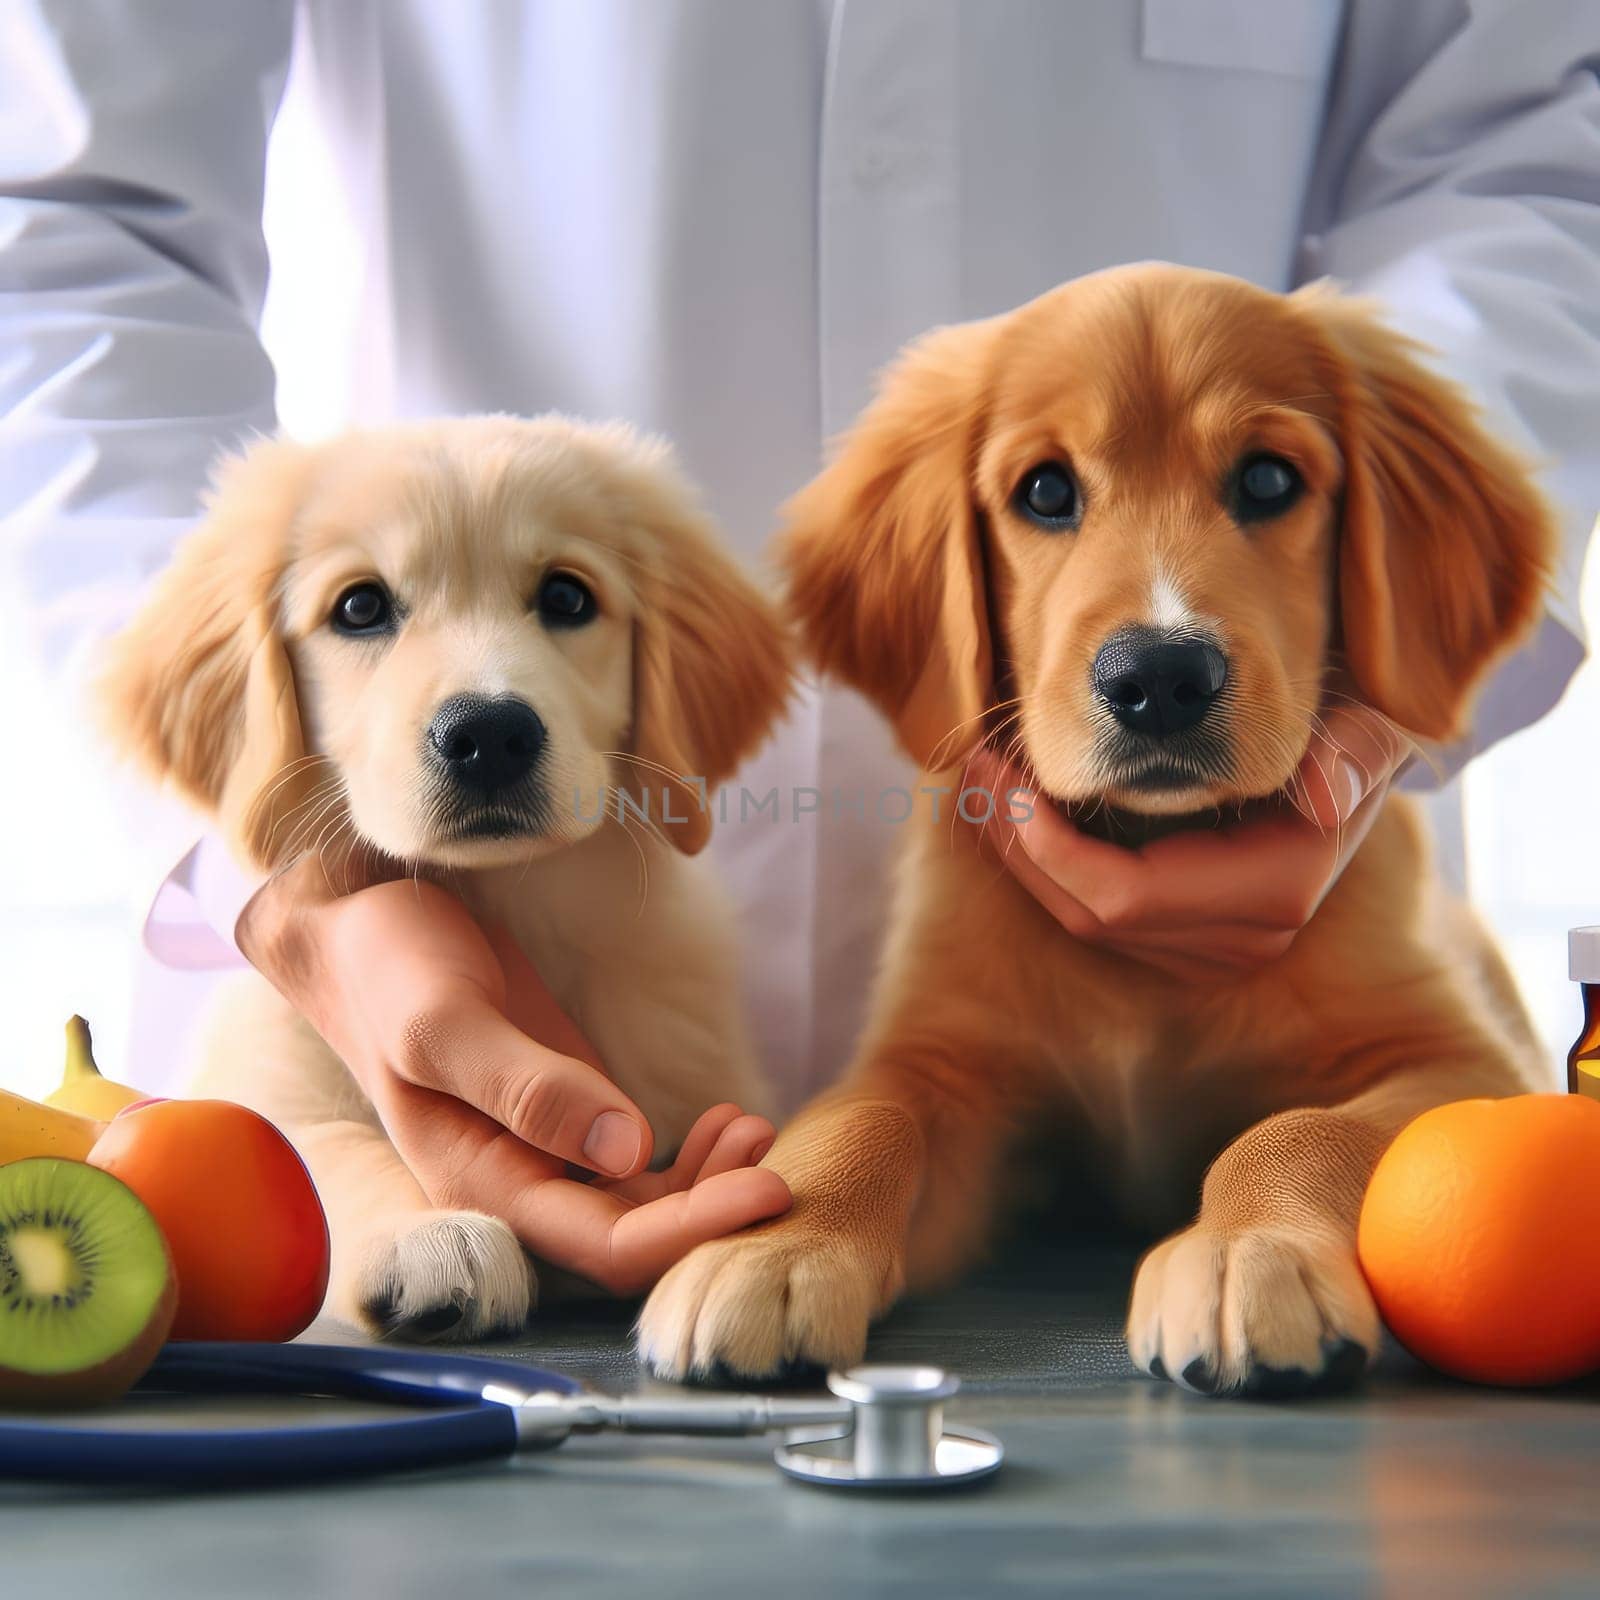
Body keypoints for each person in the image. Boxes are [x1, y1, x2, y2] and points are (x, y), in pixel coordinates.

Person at [3, 0, 1596, 1290]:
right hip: (430, 1054)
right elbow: (55, 213)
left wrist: (1382, 705)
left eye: (1260, 485)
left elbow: (1540, 168)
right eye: (1047, 492)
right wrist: (288, 875)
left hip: (1274, 1005)